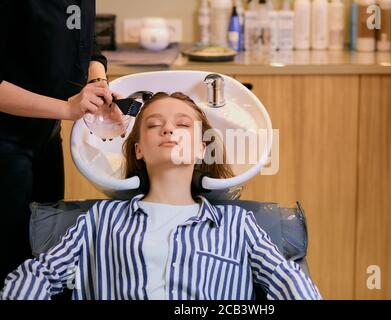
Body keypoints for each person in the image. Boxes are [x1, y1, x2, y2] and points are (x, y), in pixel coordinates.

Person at [1, 92, 322, 300]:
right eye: (154, 125)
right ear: (139, 149)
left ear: (201, 149)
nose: (168, 130)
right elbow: (39, 274)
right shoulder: (99, 221)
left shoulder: (238, 225)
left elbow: (287, 281)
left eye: (182, 125)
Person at [0, 1, 114, 282]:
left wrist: (98, 82)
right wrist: (66, 109)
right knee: (10, 257)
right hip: (6, 140)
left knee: (46, 247)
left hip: (46, 135)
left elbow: (89, 45)